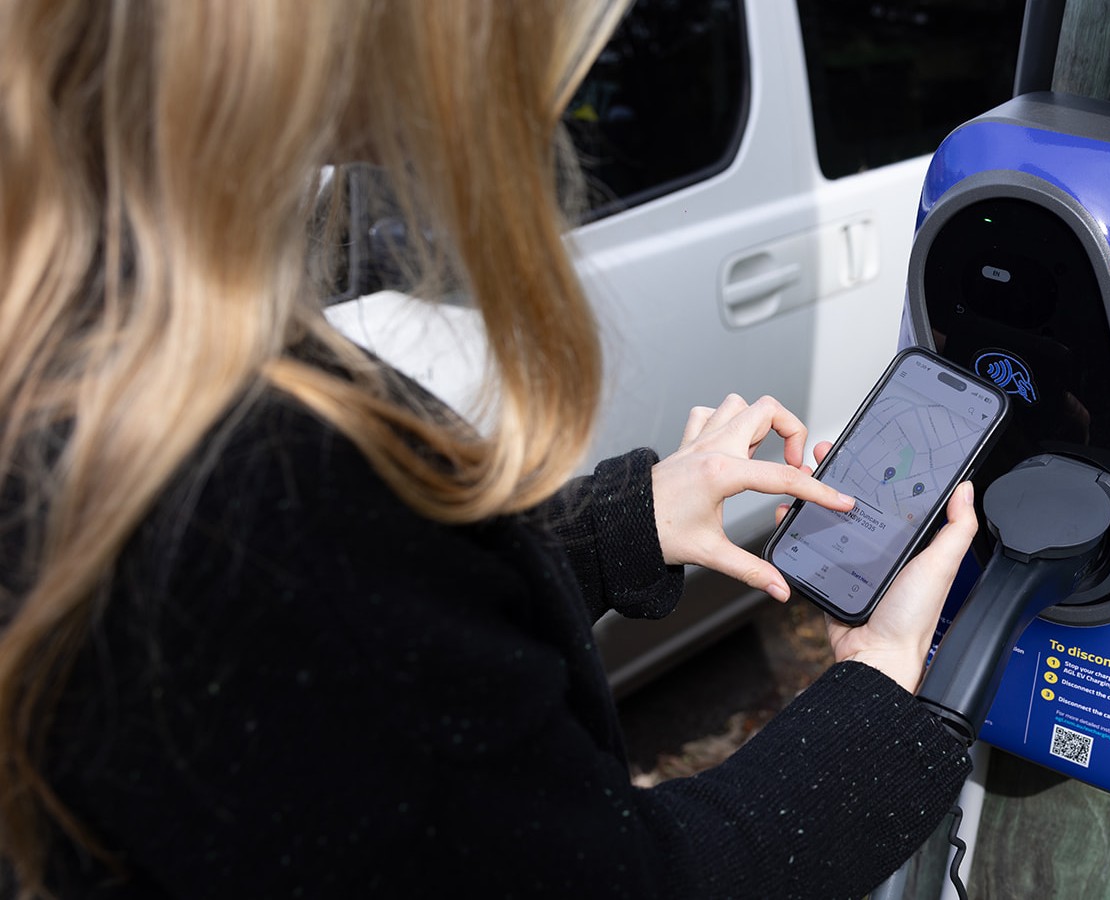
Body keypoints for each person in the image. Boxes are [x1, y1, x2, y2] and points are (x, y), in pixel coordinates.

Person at [0, 1, 978, 898]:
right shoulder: (274, 495)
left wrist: (614, 530)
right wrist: (880, 690)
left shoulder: (68, 353)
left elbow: (352, 696)